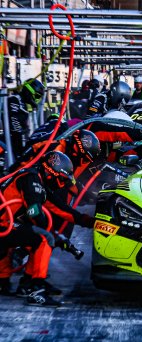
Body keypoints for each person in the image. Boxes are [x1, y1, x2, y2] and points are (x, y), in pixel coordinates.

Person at [0, 151, 95, 306]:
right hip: (3, 226)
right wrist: (54, 235)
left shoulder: (37, 179)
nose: (62, 184)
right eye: (61, 180)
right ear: (51, 173)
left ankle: (26, 284)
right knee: (44, 238)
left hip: (5, 224)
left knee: (36, 238)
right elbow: (35, 211)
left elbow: (61, 208)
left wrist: (88, 221)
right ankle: (36, 290)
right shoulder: (31, 179)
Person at [7, 78, 45, 158]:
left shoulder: (23, 103)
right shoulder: (14, 99)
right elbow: (15, 127)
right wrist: (19, 152)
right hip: (8, 142)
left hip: (15, 141)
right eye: (37, 96)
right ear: (29, 91)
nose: (37, 99)